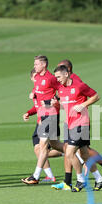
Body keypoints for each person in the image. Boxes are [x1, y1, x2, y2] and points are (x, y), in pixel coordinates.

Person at [51, 59, 102, 191]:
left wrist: (83, 105)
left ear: (66, 74)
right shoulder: (61, 90)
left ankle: (81, 180)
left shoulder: (79, 85)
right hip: (69, 124)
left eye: (58, 77)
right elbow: (66, 106)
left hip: (81, 123)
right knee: (84, 154)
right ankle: (99, 179)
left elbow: (96, 96)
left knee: (69, 152)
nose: (57, 80)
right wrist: (57, 105)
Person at [21, 55, 64, 185]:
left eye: (36, 64)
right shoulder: (38, 78)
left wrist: (56, 100)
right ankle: (77, 153)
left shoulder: (50, 78)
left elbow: (62, 89)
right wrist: (32, 99)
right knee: (55, 144)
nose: (34, 66)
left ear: (44, 65)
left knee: (43, 145)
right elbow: (38, 97)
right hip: (42, 116)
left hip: (50, 114)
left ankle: (36, 176)